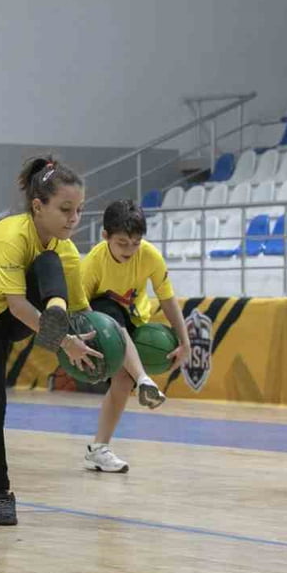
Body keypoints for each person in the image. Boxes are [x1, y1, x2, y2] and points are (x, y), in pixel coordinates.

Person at [0, 154, 100, 525]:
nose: (74, 218)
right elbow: (16, 306)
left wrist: (110, 345)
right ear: (38, 206)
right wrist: (64, 341)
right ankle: (0, 493)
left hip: (31, 315)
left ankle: (54, 313)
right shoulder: (9, 235)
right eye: (65, 209)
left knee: (50, 261)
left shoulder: (65, 248)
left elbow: (84, 309)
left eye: (79, 210)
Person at [79, 198, 188, 473]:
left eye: (135, 243)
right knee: (110, 314)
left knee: (123, 381)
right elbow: (78, 307)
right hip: (96, 320)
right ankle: (144, 379)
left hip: (135, 319)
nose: (130, 249)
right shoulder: (92, 263)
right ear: (105, 236)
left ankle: (98, 449)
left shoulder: (150, 256)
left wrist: (185, 342)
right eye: (122, 243)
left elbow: (167, 299)